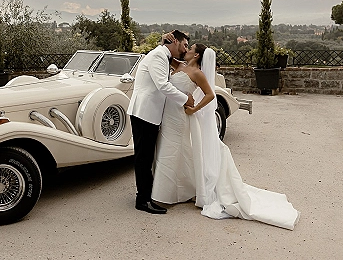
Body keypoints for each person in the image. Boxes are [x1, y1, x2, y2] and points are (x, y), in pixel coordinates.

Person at [151, 43, 300, 230]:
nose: (185, 50)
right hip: (168, 115)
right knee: (173, 152)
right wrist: (165, 40)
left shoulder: (197, 74)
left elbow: (210, 95)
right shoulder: (179, 65)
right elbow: (161, 54)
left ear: (196, 55)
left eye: (190, 49)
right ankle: (180, 189)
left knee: (171, 152)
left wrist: (195, 108)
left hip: (181, 117)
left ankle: (164, 195)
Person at [127, 30, 195, 214]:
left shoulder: (163, 55)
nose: (185, 49)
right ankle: (142, 201)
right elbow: (162, 85)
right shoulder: (158, 56)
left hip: (149, 113)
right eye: (184, 45)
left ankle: (146, 196)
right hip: (144, 112)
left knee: (147, 157)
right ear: (175, 42)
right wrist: (185, 99)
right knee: (143, 158)